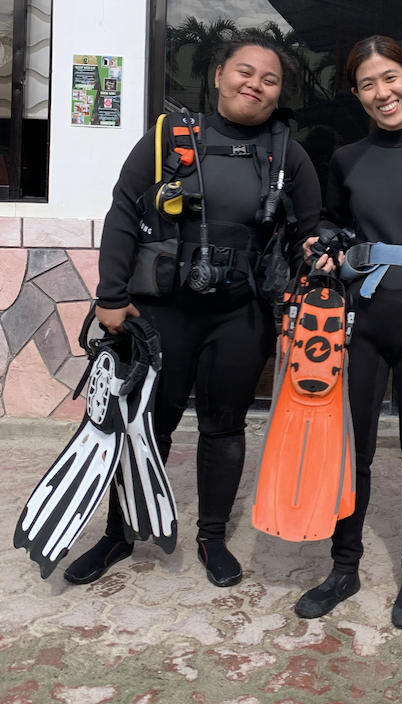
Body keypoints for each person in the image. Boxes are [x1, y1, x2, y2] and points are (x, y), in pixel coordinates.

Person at [64, 36, 321, 587]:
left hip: (241, 316)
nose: (255, 85)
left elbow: (310, 230)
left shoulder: (287, 155)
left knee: (224, 427)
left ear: (279, 94)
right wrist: (111, 295)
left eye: (270, 79)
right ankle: (118, 534)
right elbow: (123, 213)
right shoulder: (167, 137)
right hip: (164, 314)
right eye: (244, 72)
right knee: (145, 426)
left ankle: (211, 536)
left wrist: (314, 273)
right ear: (219, 75)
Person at [295, 35, 402, 630]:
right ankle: (344, 567)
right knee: (354, 453)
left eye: (391, 78)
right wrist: (321, 243)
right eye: (368, 84)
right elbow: (332, 221)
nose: (383, 92)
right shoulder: (347, 159)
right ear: (356, 93)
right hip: (362, 322)